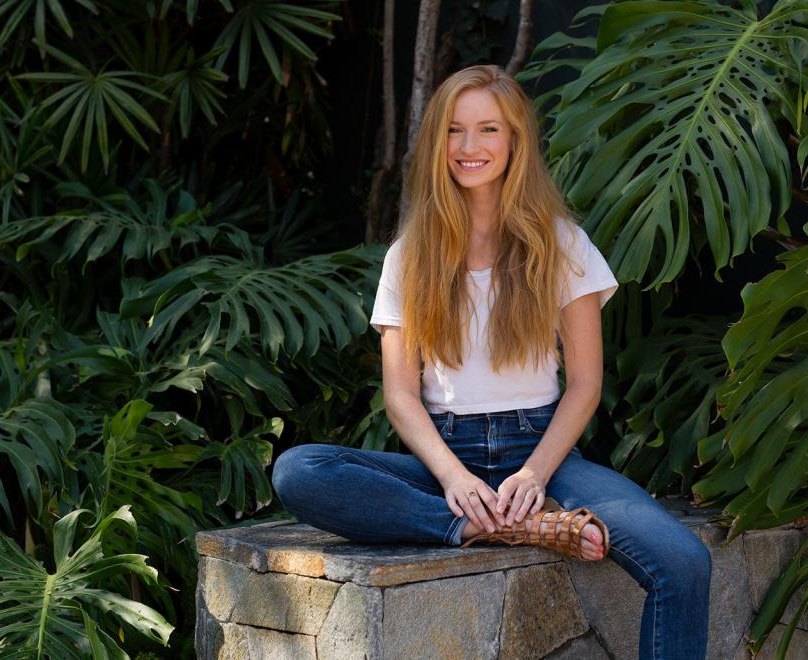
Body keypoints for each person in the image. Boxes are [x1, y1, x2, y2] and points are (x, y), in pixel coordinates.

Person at [272, 64, 711, 659]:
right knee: (300, 470)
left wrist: (533, 474)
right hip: (444, 462)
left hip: (545, 455)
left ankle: (510, 513)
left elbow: (584, 384)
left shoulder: (562, 244)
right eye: (454, 131)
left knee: (683, 561)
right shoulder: (409, 256)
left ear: (515, 142)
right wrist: (455, 481)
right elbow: (401, 395)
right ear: (437, 143)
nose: (469, 147)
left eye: (487, 130)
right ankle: (484, 526)